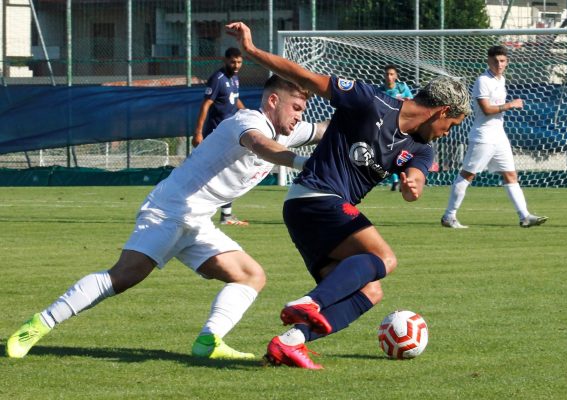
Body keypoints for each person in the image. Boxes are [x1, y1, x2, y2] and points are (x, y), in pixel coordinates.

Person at [6, 75, 328, 360]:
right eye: (297, 108)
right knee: (123, 277)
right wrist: (303, 163)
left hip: (197, 220)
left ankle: (209, 341)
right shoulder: (248, 122)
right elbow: (262, 146)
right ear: (274, 101)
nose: (300, 117)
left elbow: (324, 131)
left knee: (251, 275)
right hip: (169, 210)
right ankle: (38, 325)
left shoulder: (287, 131)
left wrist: (370, 117)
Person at [226, 21, 471, 369]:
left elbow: (415, 179)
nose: (448, 133)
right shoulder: (370, 102)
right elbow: (305, 76)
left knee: (371, 291)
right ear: (443, 111)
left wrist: (413, 186)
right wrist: (251, 52)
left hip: (311, 214)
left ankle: (290, 342)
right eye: (453, 125)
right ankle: (310, 302)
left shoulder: (420, 147)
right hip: (317, 197)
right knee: (384, 259)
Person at [441, 45, 548, 229]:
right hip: (483, 136)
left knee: (510, 175)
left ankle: (525, 216)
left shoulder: (501, 79)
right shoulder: (483, 80)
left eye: (502, 61)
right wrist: (510, 105)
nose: (499, 64)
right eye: (495, 61)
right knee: (468, 175)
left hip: (499, 136)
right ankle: (449, 216)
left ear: (507, 62)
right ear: (488, 61)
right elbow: (486, 109)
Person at [193, 47, 247, 226]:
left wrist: (247, 113)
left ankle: (226, 215)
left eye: (239, 62)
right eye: (233, 61)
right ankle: (207, 211)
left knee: (228, 172)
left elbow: (234, 100)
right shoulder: (218, 79)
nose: (236, 65)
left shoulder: (235, 77)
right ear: (225, 60)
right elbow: (205, 105)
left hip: (230, 133)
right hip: (216, 133)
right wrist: (198, 132)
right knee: (212, 172)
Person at [381, 64, 413, 191]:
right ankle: (395, 181)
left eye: (391, 74)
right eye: (387, 74)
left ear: (396, 76)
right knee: (389, 155)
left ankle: (403, 179)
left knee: (403, 154)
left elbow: (411, 101)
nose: (389, 76)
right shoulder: (381, 91)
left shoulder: (402, 87)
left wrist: (406, 100)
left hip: (402, 126)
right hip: (387, 128)